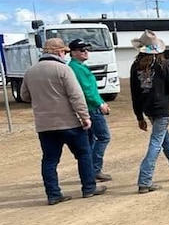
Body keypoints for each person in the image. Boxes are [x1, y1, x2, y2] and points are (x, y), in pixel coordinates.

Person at [20, 38, 106, 204]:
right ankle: (89, 187)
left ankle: (53, 194)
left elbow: (24, 96)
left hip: (44, 124)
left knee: (50, 160)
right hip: (69, 122)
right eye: (64, 52)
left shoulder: (30, 71)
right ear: (59, 52)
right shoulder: (63, 69)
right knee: (83, 154)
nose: (65, 55)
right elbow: (76, 95)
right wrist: (85, 117)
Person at [129, 30, 169, 194]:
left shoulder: (135, 67)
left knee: (165, 139)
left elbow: (135, 93)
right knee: (156, 142)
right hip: (161, 109)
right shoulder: (163, 65)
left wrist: (139, 116)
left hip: (148, 108)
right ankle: (144, 180)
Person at [68, 38, 112, 182]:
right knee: (103, 137)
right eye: (82, 50)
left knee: (91, 140)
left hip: (89, 107)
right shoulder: (77, 68)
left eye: (87, 49)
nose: (86, 52)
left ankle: (91, 170)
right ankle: (94, 169)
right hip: (91, 108)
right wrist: (100, 104)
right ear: (73, 52)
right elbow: (87, 91)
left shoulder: (78, 66)